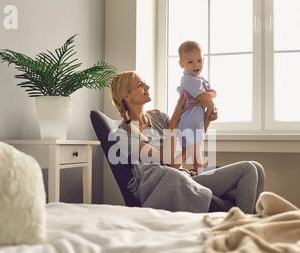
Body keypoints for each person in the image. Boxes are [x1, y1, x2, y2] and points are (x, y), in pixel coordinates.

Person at [110, 71, 265, 213]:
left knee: (257, 168)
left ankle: (248, 224)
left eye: (144, 82)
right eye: (140, 85)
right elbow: (166, 162)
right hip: (167, 186)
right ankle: (244, 225)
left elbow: (187, 146)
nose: (147, 86)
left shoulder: (158, 117)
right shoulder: (123, 135)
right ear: (127, 96)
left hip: (183, 176)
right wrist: (173, 123)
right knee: (248, 169)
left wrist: (207, 119)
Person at [177, 41, 216, 174]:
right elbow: (203, 98)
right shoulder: (189, 80)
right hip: (190, 122)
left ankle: (195, 173)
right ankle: (200, 175)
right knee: (195, 152)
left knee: (193, 151)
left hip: (195, 122)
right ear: (181, 64)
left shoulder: (199, 79)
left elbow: (205, 99)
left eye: (199, 60)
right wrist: (213, 93)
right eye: (190, 62)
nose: (196, 65)